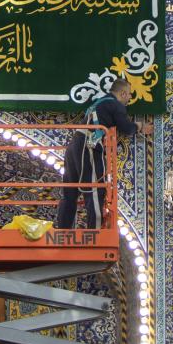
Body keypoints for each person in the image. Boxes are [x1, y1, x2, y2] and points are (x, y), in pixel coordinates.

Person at [57, 75, 149, 229]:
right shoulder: (115, 105)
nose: (129, 98)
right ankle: (96, 233)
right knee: (95, 189)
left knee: (70, 192)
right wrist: (139, 126)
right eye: (129, 95)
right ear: (123, 93)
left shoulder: (99, 103)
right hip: (89, 146)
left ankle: (63, 231)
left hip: (74, 145)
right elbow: (126, 128)